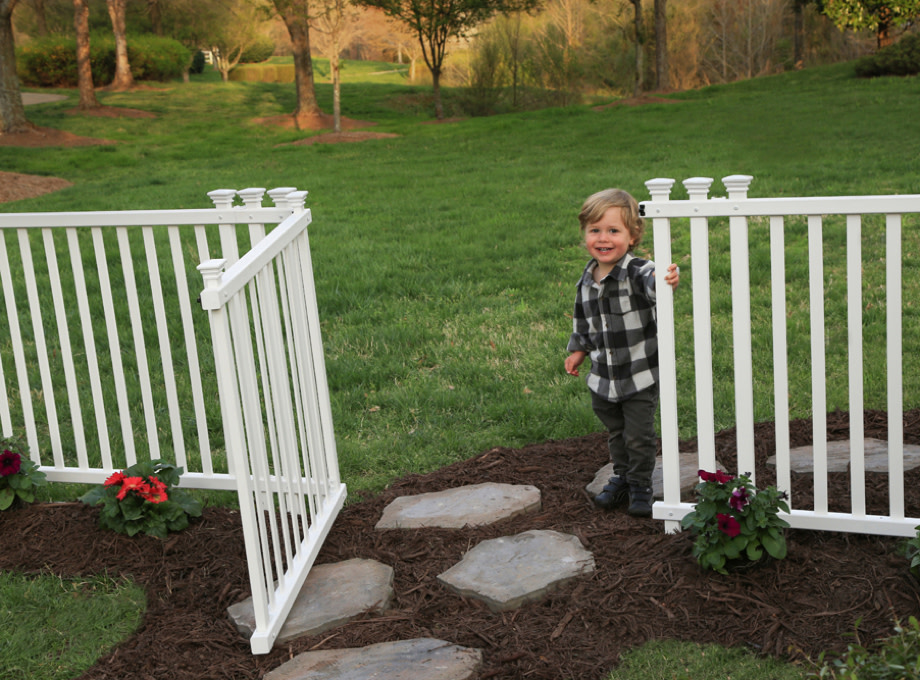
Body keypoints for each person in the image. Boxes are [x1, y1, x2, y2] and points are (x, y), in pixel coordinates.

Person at [564, 188, 679, 518]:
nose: (603, 238)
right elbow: (583, 320)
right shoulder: (586, 280)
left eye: (613, 231)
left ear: (632, 236)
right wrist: (578, 350)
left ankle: (641, 483)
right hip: (603, 378)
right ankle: (623, 476)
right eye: (595, 230)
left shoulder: (637, 271)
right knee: (616, 433)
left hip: (638, 375)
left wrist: (665, 278)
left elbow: (654, 282)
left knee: (639, 435)